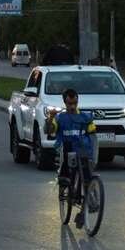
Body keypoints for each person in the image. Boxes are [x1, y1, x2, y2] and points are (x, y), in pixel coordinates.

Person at [45, 89, 96, 229]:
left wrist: (93, 156)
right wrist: (50, 118)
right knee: (67, 175)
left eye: (75, 103)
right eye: (69, 103)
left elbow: (93, 136)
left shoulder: (86, 117)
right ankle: (66, 188)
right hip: (67, 151)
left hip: (83, 151)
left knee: (87, 177)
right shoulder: (60, 118)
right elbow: (49, 130)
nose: (72, 106)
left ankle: (87, 204)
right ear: (65, 103)